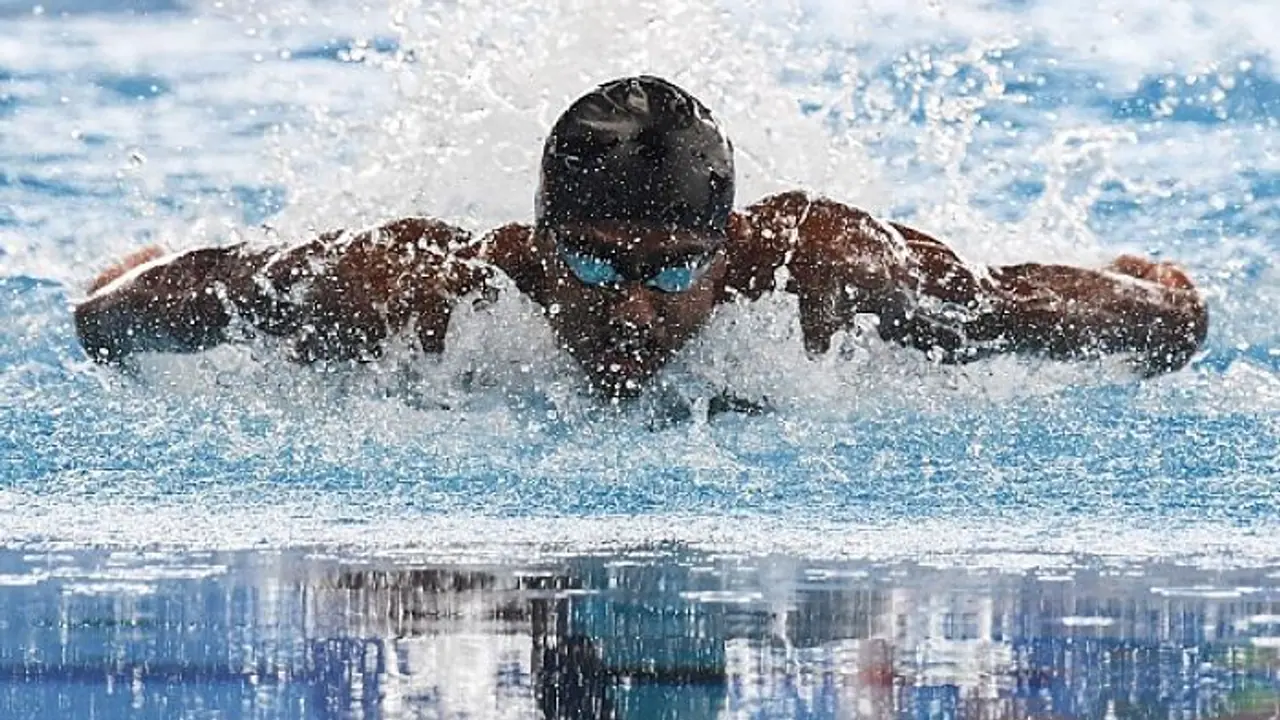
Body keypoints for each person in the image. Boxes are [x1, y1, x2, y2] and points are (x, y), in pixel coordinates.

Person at [74, 75, 1208, 399]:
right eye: (588, 263)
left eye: (672, 271)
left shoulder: (823, 273)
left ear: (726, 248)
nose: (629, 308)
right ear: (535, 238)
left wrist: (1162, 303)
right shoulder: (418, 293)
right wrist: (120, 285)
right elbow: (154, 304)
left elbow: (1004, 305)